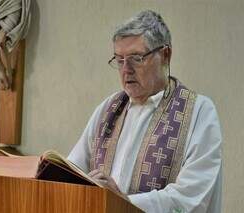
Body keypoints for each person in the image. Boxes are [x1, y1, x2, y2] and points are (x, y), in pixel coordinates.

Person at [68, 10, 222, 213]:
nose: (126, 70)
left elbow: (190, 198)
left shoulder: (199, 112)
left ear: (165, 55)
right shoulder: (108, 110)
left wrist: (123, 203)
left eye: (136, 58)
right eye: (119, 60)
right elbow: (72, 173)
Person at [0, 0, 32, 90]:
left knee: (2, 41)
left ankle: (9, 72)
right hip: (0, 3)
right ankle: (2, 69)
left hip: (14, 2)